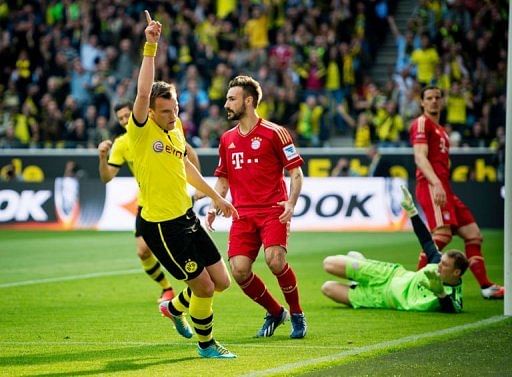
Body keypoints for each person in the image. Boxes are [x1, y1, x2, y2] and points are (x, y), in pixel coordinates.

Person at [126, 11, 238, 359]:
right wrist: (151, 45)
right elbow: (144, 91)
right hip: (161, 226)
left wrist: (216, 197)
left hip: (186, 216)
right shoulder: (141, 131)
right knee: (203, 286)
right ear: (150, 111)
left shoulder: (175, 130)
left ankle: (175, 308)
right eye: (165, 111)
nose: (172, 115)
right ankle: (206, 346)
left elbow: (185, 168)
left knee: (221, 282)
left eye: (174, 108)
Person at [207, 75, 307, 339]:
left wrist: (292, 202)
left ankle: (296, 313)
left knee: (275, 261)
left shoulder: (275, 133)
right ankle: (275, 312)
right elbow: (223, 179)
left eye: (232, 99)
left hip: (274, 210)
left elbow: (296, 174)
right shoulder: (227, 139)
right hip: (242, 214)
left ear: (248, 101)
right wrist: (214, 203)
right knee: (239, 270)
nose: (226, 103)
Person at [410, 86, 504, 299]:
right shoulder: (422, 123)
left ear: (441, 102)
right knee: (441, 234)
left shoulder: (442, 130)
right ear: (422, 103)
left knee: (473, 235)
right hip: (430, 184)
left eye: (437, 98)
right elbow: (420, 157)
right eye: (429, 98)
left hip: (444, 186)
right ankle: (415, 285)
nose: (434, 101)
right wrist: (435, 183)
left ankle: (486, 287)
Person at [321, 186, 468, 313]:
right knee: (329, 263)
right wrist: (412, 212)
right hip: (387, 275)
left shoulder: (453, 295)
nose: (440, 266)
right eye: (441, 262)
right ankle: (360, 270)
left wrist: (441, 293)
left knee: (327, 288)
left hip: (382, 299)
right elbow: (426, 241)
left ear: (456, 272)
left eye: (445, 265)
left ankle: (357, 282)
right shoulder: (436, 263)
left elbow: (452, 309)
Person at [98, 101, 177, 303]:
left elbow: (187, 153)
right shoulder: (122, 144)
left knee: (177, 247)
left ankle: (198, 287)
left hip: (173, 198)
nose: (125, 121)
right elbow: (107, 177)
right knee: (143, 252)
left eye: (127, 115)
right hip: (147, 202)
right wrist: (101, 157)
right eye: (121, 118)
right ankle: (167, 289)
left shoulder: (157, 129)